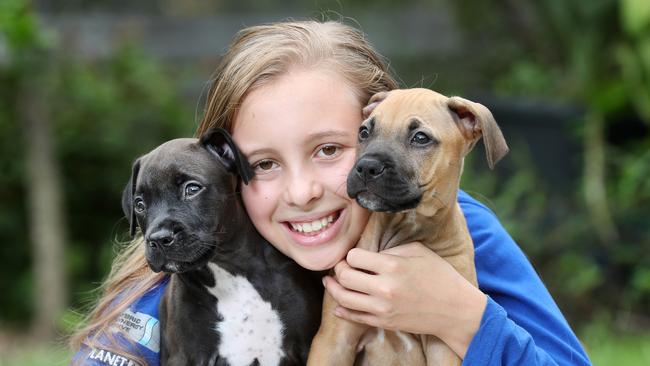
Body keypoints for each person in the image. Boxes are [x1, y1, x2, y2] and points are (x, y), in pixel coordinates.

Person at [71, 20, 591, 366]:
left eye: (328, 150)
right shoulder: (201, 256)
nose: (301, 193)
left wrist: (461, 315)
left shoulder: (452, 227)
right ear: (224, 171)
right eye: (265, 164)